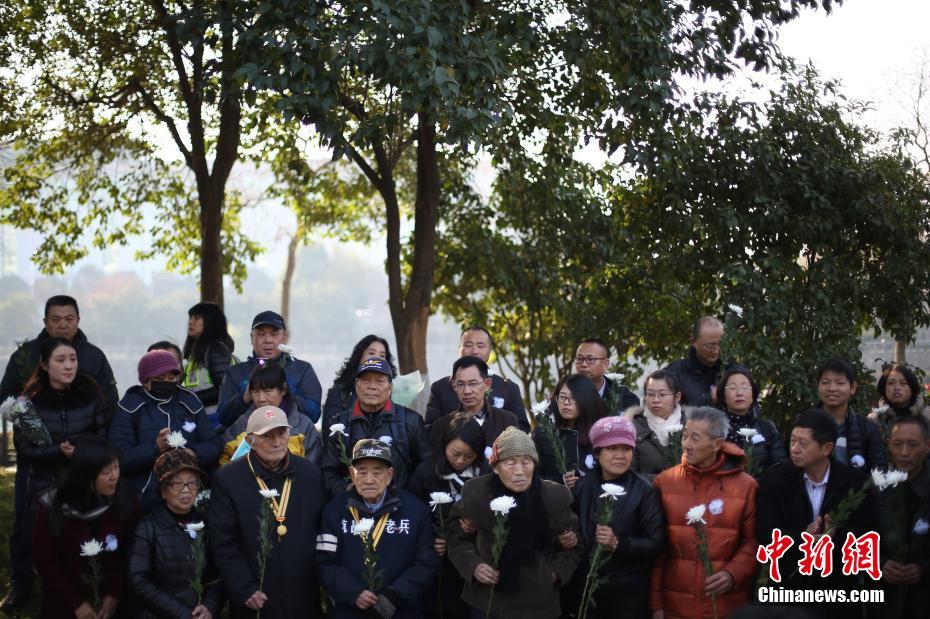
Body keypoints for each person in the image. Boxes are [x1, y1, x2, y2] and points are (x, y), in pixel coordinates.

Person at [1, 295, 118, 610]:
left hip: (83, 459)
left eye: (69, 318)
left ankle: (88, 582)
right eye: (56, 319)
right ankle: (22, 583)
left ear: (78, 321)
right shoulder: (27, 355)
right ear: (45, 322)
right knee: (29, 523)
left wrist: (91, 449)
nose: (63, 324)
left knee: (82, 520)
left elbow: (107, 402)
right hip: (39, 459)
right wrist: (35, 423)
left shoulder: (93, 357)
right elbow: (9, 398)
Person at [447, 426, 585, 619]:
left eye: (526, 462)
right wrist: (473, 566)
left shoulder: (554, 497)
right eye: (510, 463)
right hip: (487, 600)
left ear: (535, 464)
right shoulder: (476, 495)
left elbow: (574, 544)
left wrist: (555, 573)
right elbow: (456, 537)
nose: (519, 471)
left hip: (538, 604)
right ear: (495, 467)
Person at [756, 409, 879, 618]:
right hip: (789, 589)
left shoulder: (855, 482)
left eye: (803, 444)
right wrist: (802, 539)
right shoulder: (774, 479)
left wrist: (836, 536)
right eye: (792, 441)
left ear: (827, 448)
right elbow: (764, 532)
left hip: (838, 590)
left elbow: (870, 535)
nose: (794, 449)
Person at [209, 405, 326, 618]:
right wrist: (243, 587)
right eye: (267, 436)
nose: (277, 442)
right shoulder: (228, 479)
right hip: (256, 596)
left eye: (281, 433)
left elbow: (322, 528)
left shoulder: (310, 474)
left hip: (304, 595)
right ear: (250, 440)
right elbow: (223, 541)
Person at [651, 407, 758, 619]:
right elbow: (657, 549)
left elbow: (753, 542)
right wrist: (656, 604)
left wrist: (732, 573)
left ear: (717, 444)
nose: (686, 445)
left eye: (695, 439)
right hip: (676, 604)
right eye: (685, 436)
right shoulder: (665, 482)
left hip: (726, 604)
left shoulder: (745, 486)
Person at [316, 439, 440, 619]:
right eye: (362, 471)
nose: (369, 479)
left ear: (390, 475)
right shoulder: (334, 510)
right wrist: (353, 592)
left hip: (401, 610)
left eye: (377, 472)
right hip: (349, 611)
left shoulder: (416, 511)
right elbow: (324, 562)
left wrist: (395, 595)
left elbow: (426, 562)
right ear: (352, 473)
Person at [32, 434, 138, 619]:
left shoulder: (124, 499)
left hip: (113, 599)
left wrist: (114, 594)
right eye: (106, 472)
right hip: (66, 601)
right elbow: (46, 563)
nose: (115, 476)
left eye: (116, 467)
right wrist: (77, 604)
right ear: (85, 474)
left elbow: (132, 551)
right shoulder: (53, 509)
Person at [570, 416, 664, 619]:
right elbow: (575, 528)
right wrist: (568, 537)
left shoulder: (644, 491)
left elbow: (655, 543)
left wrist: (619, 543)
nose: (620, 455)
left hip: (627, 592)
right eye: (612, 448)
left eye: (627, 449)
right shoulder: (583, 487)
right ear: (597, 452)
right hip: (585, 587)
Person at [108, 350, 222, 510]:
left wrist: (193, 453)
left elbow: (214, 443)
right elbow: (119, 458)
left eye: (171, 378)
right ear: (146, 381)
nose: (167, 382)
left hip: (193, 494)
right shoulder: (130, 407)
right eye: (160, 379)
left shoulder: (189, 401)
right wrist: (155, 449)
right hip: (146, 497)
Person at [408, 413, 489, 619]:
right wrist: (431, 537)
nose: (461, 460)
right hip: (438, 562)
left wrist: (479, 526)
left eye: (469, 456)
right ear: (444, 445)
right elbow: (412, 514)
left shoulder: (487, 474)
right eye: (455, 453)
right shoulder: (427, 472)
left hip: (475, 560)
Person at [128, 448, 224, 619]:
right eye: (177, 484)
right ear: (163, 491)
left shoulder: (206, 524)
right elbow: (139, 581)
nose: (186, 490)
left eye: (192, 482)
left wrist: (209, 607)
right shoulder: (147, 527)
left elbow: (219, 574)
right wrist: (183, 614)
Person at [322, 358, 431, 496]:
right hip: (351, 504)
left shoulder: (410, 421)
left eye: (380, 381)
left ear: (390, 388)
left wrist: (406, 497)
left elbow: (426, 467)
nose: (372, 386)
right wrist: (345, 490)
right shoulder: (340, 423)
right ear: (356, 385)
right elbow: (328, 470)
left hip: (400, 506)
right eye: (366, 380)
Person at [216, 310, 323, 427]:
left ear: (284, 337)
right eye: (261, 334)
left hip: (293, 438)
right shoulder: (235, 372)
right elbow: (222, 417)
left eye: (274, 334)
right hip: (247, 439)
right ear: (252, 338)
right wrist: (245, 397)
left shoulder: (302, 369)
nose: (268, 340)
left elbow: (314, 414)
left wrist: (284, 393)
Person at [877, 416, 930, 618]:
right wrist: (880, 564)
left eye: (913, 445)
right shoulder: (874, 486)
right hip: (884, 598)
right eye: (898, 444)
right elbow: (858, 535)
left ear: (927, 446)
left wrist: (924, 569)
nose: (905, 453)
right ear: (887, 444)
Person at [425, 327, 528, 431]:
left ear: (490, 350)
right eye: (468, 345)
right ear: (459, 348)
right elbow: (430, 429)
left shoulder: (509, 388)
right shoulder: (440, 387)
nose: (474, 351)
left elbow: (522, 428)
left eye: (480, 346)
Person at [220, 362, 323, 466]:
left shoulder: (304, 426)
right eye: (256, 392)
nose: (261, 399)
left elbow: (311, 469)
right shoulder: (240, 425)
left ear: (283, 390)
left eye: (267, 391)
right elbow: (225, 467)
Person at [430, 356, 519, 453]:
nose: (467, 391)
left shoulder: (507, 421)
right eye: (460, 384)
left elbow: (515, 458)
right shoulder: (442, 426)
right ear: (453, 386)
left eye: (473, 383)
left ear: (487, 384)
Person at [532, 374, 604, 488]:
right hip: (557, 502)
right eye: (562, 397)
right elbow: (533, 477)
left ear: (587, 400)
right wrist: (561, 481)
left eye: (573, 398)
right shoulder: (543, 434)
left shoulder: (601, 433)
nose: (566, 402)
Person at [715, 365, 786, 477]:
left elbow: (781, 467)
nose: (739, 393)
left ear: (753, 394)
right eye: (732, 388)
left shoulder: (767, 428)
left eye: (745, 387)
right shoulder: (713, 429)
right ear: (723, 395)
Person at [816, 358, 885, 472]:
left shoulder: (867, 428)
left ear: (852, 388)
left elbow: (879, 472)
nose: (832, 388)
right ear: (817, 386)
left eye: (840, 383)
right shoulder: (804, 424)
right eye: (825, 382)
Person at [323, 335, 396, 435]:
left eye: (382, 356)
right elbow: (329, 433)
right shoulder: (341, 393)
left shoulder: (394, 394)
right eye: (371, 353)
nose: (377, 358)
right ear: (359, 357)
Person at [624, 370, 687, 480]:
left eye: (662, 394)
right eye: (650, 394)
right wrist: (661, 480)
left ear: (677, 397)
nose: (655, 400)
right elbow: (627, 473)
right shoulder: (631, 428)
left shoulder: (691, 427)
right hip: (647, 494)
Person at [182, 302, 236, 420]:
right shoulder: (193, 354)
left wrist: (191, 399)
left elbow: (224, 389)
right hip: (200, 417)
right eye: (190, 318)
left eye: (197, 318)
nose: (190, 322)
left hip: (216, 419)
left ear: (210, 321)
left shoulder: (216, 350)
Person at [664, 317, 727, 407]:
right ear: (693, 342)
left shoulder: (732, 370)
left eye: (720, 344)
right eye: (710, 346)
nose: (716, 350)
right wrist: (709, 399)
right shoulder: (675, 373)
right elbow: (666, 411)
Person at [573, 338, 639, 414]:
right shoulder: (566, 393)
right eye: (579, 358)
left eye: (590, 359)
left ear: (605, 364)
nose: (583, 364)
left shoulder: (624, 398)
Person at [870, 363, 930, 436]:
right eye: (891, 383)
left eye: (903, 383)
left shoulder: (926, 416)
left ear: (912, 387)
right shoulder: (874, 420)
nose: (897, 388)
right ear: (884, 388)